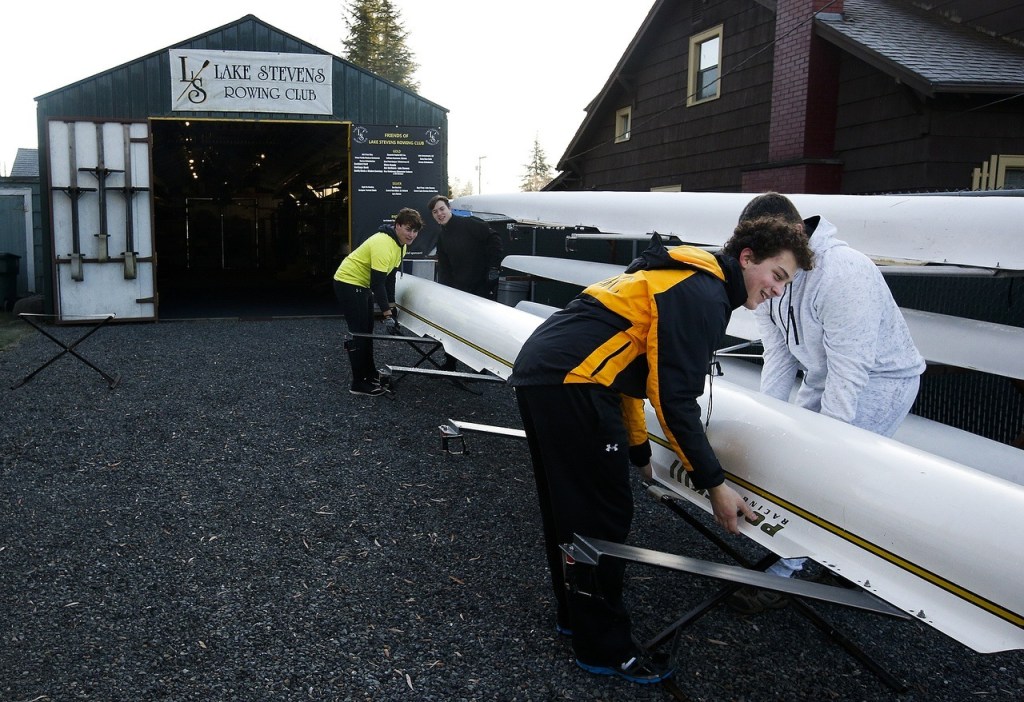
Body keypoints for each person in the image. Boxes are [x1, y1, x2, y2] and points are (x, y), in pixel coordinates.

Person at [510, 219, 814, 684]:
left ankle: (577, 619)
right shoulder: (703, 293)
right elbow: (672, 398)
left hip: (545, 373)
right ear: (747, 258)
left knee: (569, 508)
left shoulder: (677, 276)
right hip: (576, 382)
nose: (777, 289)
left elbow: (631, 375)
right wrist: (715, 483)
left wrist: (636, 449)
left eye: (786, 283)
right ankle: (606, 648)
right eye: (776, 274)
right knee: (601, 518)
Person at [730, 192, 926, 614]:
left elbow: (851, 370)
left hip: (880, 379)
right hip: (823, 375)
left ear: (795, 235)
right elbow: (778, 353)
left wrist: (828, 445)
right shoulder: (768, 269)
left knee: (827, 473)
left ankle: (785, 572)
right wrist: (768, 424)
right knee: (797, 457)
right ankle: (830, 549)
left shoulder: (844, 272)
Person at [333, 207, 422, 396]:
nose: (411, 235)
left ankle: (370, 373)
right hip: (348, 282)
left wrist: (392, 307)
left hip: (362, 284)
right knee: (359, 333)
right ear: (397, 226)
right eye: (408, 229)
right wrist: (386, 314)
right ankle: (358, 383)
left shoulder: (401, 246)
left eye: (415, 231)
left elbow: (390, 279)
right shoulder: (383, 243)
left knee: (367, 332)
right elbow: (378, 283)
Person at [428, 194, 504, 372]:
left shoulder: (469, 224)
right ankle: (450, 363)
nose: (439, 214)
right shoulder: (442, 237)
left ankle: (483, 365)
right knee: (453, 325)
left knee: (481, 326)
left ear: (449, 209)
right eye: (435, 212)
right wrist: (445, 289)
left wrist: (494, 268)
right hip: (459, 287)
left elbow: (494, 238)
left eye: (442, 209)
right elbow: (445, 266)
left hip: (482, 284)